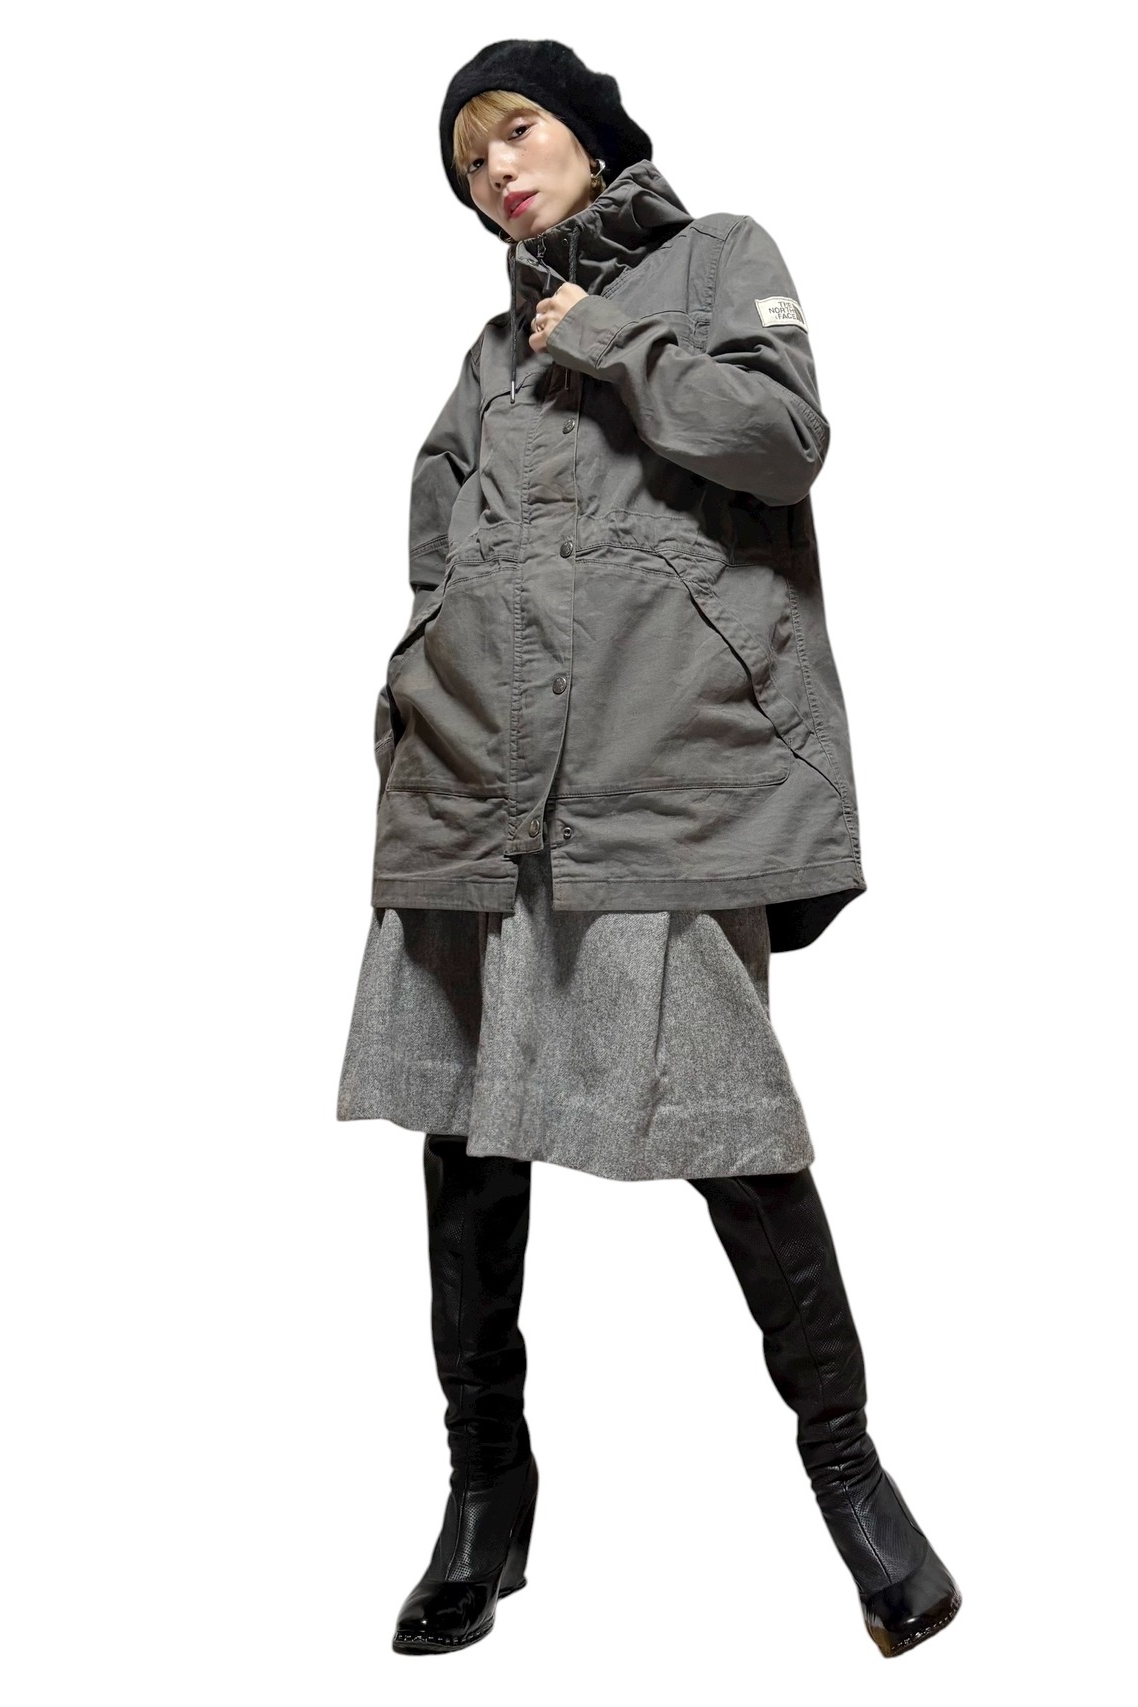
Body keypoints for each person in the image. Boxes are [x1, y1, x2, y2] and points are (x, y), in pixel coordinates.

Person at [337, 37, 962, 1660]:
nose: (496, 170)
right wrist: (422, 666)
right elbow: (438, 534)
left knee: (729, 1123)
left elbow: (780, 440)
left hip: (654, 771)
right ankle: (487, 1494)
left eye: (515, 130)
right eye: (470, 161)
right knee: (464, 1139)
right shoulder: (489, 352)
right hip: (481, 782)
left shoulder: (717, 256)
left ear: (591, 132)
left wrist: (610, 339)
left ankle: (853, 1484)